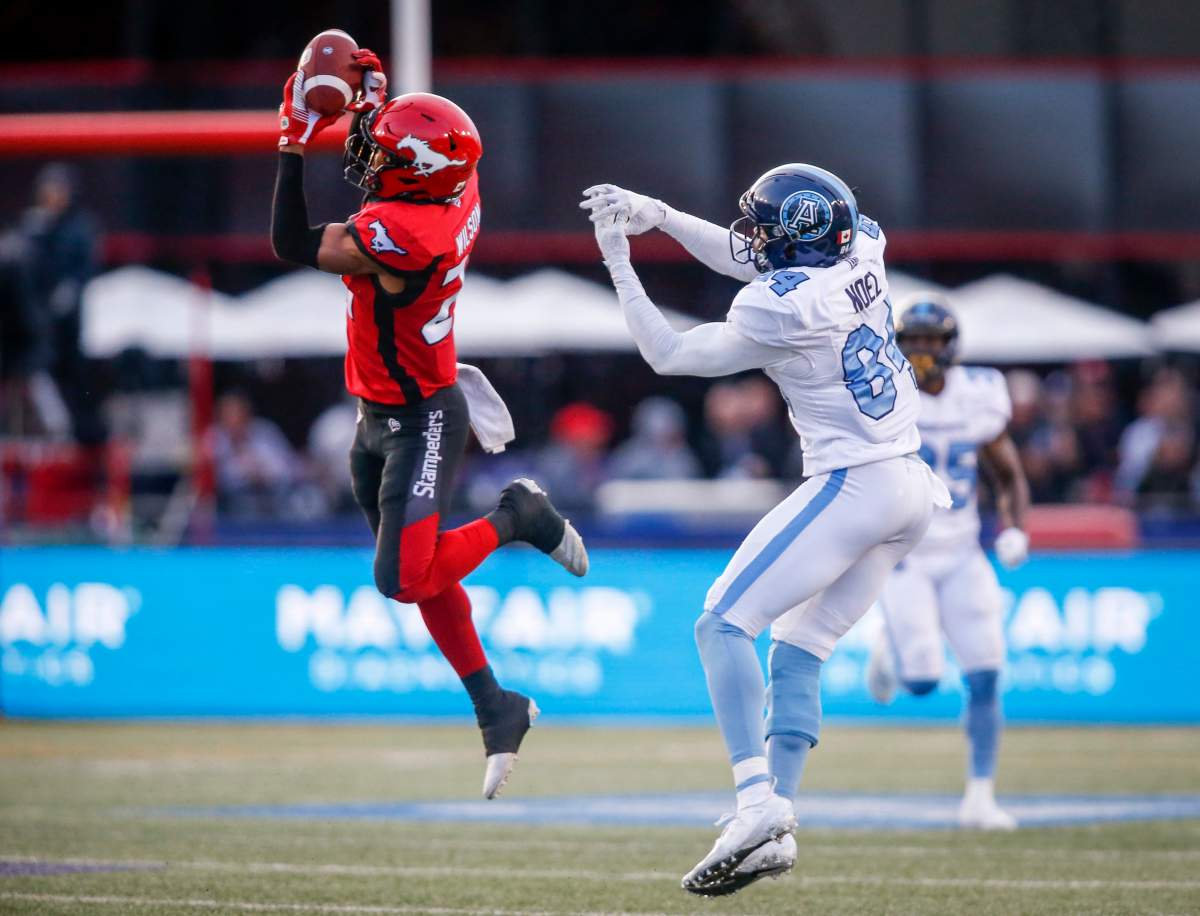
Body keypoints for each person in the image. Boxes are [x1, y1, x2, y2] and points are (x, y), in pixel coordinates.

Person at [582, 165, 949, 896]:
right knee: (799, 648)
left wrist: (619, 259)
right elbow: (750, 254)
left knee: (721, 623)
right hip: (911, 485)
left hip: (857, 481)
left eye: (766, 227)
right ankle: (771, 827)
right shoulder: (864, 246)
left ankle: (756, 802)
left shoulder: (782, 308)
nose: (752, 238)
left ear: (795, 243)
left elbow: (670, 354)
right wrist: (659, 211)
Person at [270, 52, 587, 799]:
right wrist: (372, 105)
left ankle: (520, 515)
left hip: (421, 417)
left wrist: (290, 143)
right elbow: (424, 154)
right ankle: (496, 707)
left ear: (411, 176)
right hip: (377, 415)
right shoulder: (457, 178)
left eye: (380, 155)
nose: (366, 159)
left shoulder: (407, 234)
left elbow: (290, 242)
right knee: (420, 574)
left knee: (400, 575)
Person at [864, 293, 1031, 831]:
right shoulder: (884, 394)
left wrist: (1016, 527)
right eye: (912, 342)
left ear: (951, 347)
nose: (921, 353)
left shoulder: (977, 397)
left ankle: (979, 797)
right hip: (906, 553)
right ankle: (889, 650)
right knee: (922, 682)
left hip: (962, 551)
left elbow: (1007, 473)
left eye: (931, 343)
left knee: (985, 672)